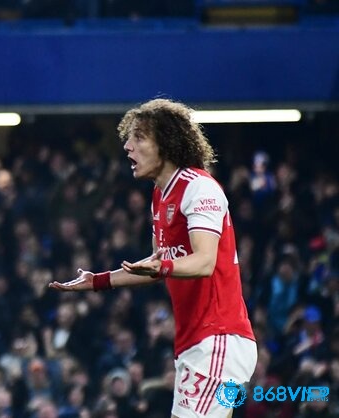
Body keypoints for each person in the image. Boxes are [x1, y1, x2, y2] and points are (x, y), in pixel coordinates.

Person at [49, 98, 257, 418]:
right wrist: (98, 281)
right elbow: (155, 266)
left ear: (166, 142)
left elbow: (204, 261)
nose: (128, 146)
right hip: (195, 341)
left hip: (218, 337)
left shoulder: (199, 188)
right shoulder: (160, 195)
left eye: (139, 137)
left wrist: (163, 266)